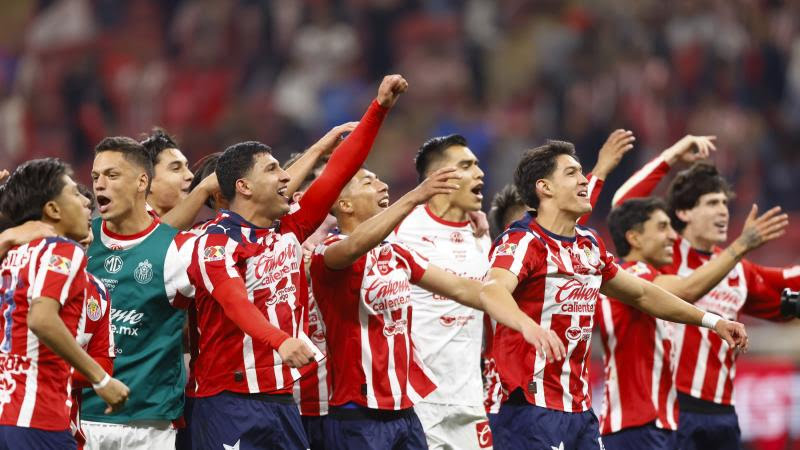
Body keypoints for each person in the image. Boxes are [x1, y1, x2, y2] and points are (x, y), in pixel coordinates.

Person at [479, 140, 748, 450]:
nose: (583, 180)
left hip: (579, 410)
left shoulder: (589, 244)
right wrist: (527, 325)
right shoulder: (523, 241)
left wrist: (713, 322)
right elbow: (492, 289)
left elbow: (643, 294)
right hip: (527, 406)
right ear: (545, 187)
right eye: (571, 173)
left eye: (582, 173)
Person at [186, 74, 408, 449]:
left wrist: (379, 108)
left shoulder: (290, 229)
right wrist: (282, 341)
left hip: (283, 399)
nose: (285, 176)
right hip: (227, 398)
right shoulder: (214, 241)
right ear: (243, 186)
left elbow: (339, 171)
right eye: (272, 169)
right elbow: (234, 302)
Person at [611, 135, 800, 449]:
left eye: (725, 203)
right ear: (684, 213)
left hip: (723, 411)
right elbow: (623, 207)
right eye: (712, 203)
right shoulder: (665, 254)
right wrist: (670, 156)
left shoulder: (737, 269)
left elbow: (785, 286)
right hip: (674, 407)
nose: (723, 211)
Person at [482, 130, 636, 432]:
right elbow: (491, 291)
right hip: (514, 401)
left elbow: (565, 229)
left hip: (574, 404)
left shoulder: (576, 245)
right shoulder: (514, 248)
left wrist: (599, 171)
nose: (531, 222)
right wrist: (529, 326)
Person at [0, 159, 128, 449]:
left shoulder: (11, 254)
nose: (86, 201)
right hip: (38, 419)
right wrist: (101, 380)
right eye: (73, 194)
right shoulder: (62, 249)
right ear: (53, 210)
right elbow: (41, 319)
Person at [81, 137, 196, 449]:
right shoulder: (79, 242)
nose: (99, 184)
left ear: (142, 182)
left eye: (112, 175)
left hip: (149, 424)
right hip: (82, 416)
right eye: (95, 176)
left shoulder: (180, 248)